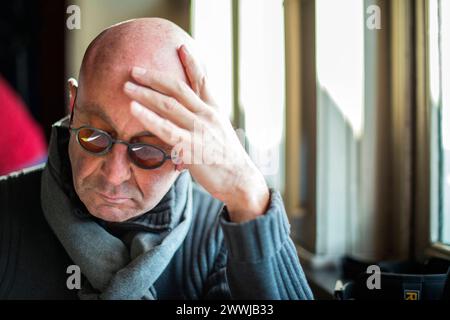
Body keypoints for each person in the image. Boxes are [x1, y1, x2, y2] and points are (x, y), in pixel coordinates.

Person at [0, 18, 313, 300]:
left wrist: (247, 190)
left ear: (186, 147)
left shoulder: (221, 238)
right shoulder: (8, 213)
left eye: (147, 151)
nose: (114, 175)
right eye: (95, 137)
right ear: (73, 105)